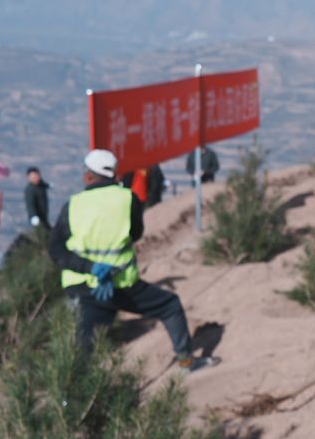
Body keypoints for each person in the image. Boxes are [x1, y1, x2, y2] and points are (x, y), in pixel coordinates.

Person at [49, 149, 216, 371]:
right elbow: (136, 233)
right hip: (122, 285)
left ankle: (73, 389)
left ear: (88, 176)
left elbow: (55, 249)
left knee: (84, 346)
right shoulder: (128, 199)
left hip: (83, 288)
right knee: (170, 306)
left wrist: (90, 267)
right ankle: (186, 361)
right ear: (115, 175)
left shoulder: (72, 205)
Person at [24, 166, 52, 231]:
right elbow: (30, 204)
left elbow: (44, 184)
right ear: (28, 177)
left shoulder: (41, 185)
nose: (35, 178)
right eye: (33, 176)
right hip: (36, 218)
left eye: (36, 175)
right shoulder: (29, 190)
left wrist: (49, 185)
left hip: (44, 217)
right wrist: (33, 216)